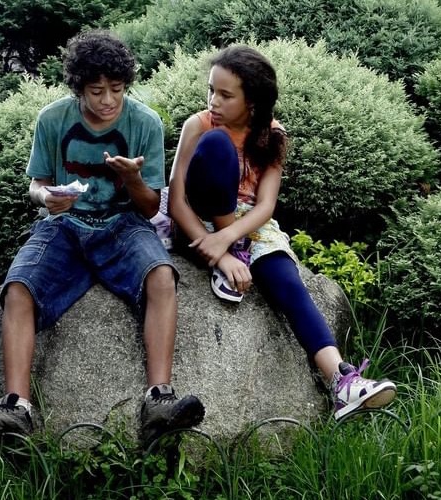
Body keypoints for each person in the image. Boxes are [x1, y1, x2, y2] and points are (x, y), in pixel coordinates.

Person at [0, 30, 205, 446]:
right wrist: (47, 197)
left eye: (117, 89)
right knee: (18, 288)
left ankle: (159, 399)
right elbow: (37, 185)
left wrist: (131, 179)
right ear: (79, 88)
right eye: (96, 91)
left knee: (162, 276)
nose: (108, 100)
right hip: (64, 226)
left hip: (124, 224)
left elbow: (149, 208)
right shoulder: (53, 120)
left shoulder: (145, 122)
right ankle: (16, 408)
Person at [166, 45, 396, 421]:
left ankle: (342, 381)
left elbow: (265, 207)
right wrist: (221, 253)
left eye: (225, 95)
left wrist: (230, 239)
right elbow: (176, 200)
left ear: (253, 101)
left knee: (287, 282)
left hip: (248, 226)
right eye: (211, 90)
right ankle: (235, 256)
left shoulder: (272, 135)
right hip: (199, 217)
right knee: (217, 145)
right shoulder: (200, 125)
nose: (213, 101)